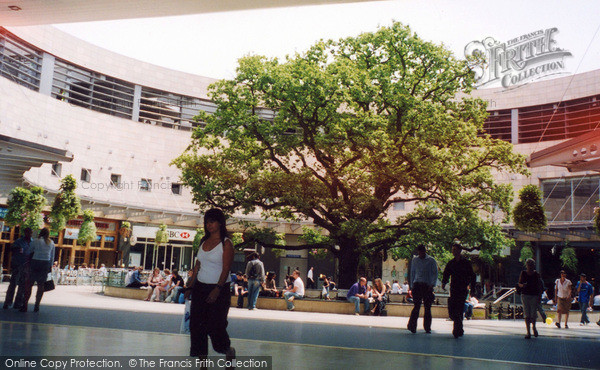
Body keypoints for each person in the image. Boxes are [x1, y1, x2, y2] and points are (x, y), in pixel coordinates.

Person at [188, 208, 235, 363]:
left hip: (219, 290)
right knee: (197, 326)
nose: (209, 225)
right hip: (200, 288)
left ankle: (228, 350)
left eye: (212, 221)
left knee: (216, 326)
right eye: (207, 222)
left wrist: (217, 289)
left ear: (220, 223)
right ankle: (203, 363)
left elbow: (226, 268)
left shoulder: (226, 244)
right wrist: (190, 285)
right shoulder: (203, 241)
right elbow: (197, 265)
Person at [442, 242, 476, 338]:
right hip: (454, 288)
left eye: (455, 250)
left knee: (459, 309)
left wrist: (472, 288)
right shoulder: (451, 263)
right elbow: (446, 273)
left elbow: (472, 276)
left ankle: (457, 329)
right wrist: (444, 282)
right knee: (454, 309)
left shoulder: (466, 263)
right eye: (452, 250)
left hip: (462, 288)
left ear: (460, 251)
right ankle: (459, 328)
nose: (453, 252)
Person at [20, 228, 55, 313]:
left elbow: (30, 251)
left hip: (35, 262)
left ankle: (25, 305)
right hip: (45, 263)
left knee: (29, 284)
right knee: (41, 285)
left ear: (40, 233)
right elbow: (52, 256)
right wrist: (50, 267)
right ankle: (37, 305)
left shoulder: (36, 241)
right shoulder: (51, 243)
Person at [407, 244, 438, 334]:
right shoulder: (415, 260)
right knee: (416, 306)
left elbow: (435, 273)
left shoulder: (431, 260)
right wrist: (411, 286)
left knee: (427, 307)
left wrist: (432, 285)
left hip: (427, 285)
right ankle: (412, 326)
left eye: (422, 252)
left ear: (425, 251)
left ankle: (427, 327)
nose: (421, 253)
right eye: (419, 252)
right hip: (417, 284)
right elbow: (412, 272)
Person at [3, 227, 32, 310]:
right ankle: (7, 302)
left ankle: (18, 303)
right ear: (25, 233)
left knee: (22, 285)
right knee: (13, 284)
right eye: (27, 232)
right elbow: (11, 249)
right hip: (17, 264)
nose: (28, 234)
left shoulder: (32, 242)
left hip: (26, 266)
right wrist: (17, 249)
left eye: (30, 233)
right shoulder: (19, 241)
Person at [518, 258, 542, 339]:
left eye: (531, 264)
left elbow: (539, 286)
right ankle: (528, 332)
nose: (530, 266)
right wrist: (522, 285)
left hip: (534, 295)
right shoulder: (523, 273)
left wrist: (539, 296)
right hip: (525, 295)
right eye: (528, 264)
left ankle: (533, 327)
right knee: (527, 314)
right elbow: (519, 283)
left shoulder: (536, 274)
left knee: (533, 314)